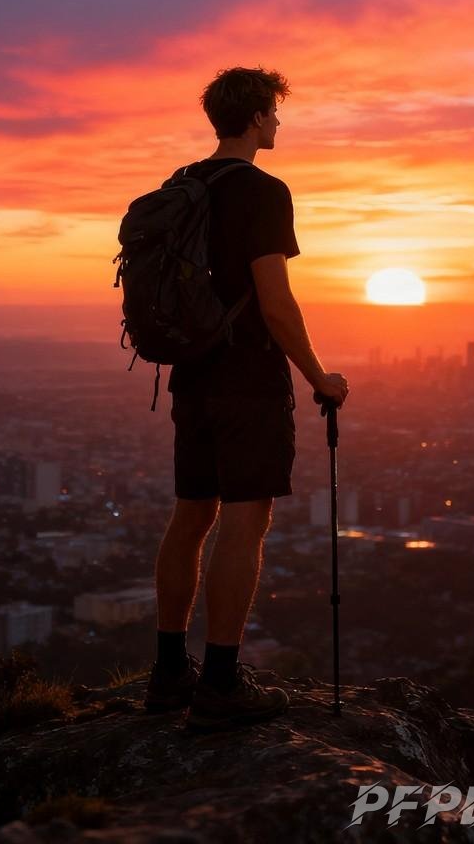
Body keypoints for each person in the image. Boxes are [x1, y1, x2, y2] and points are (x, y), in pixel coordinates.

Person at [143, 66, 349, 733]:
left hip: (191, 374)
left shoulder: (183, 186)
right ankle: (223, 681)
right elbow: (276, 302)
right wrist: (319, 376)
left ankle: (170, 670)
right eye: (276, 116)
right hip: (247, 378)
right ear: (258, 119)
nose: (279, 126)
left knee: (190, 518)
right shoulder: (263, 192)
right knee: (244, 523)